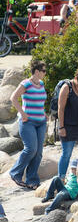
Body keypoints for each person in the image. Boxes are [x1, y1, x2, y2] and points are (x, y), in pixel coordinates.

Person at [9, 60, 47, 190]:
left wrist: (44, 113)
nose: (45, 73)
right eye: (43, 71)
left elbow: (41, 100)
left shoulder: (41, 83)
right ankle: (15, 173)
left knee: (38, 153)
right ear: (36, 71)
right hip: (28, 122)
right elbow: (13, 98)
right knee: (31, 149)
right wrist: (22, 113)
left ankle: (32, 180)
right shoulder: (25, 83)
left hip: (41, 122)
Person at [57, 68, 78, 180]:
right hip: (68, 126)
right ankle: (61, 179)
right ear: (75, 78)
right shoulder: (67, 87)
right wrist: (61, 127)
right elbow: (60, 109)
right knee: (66, 154)